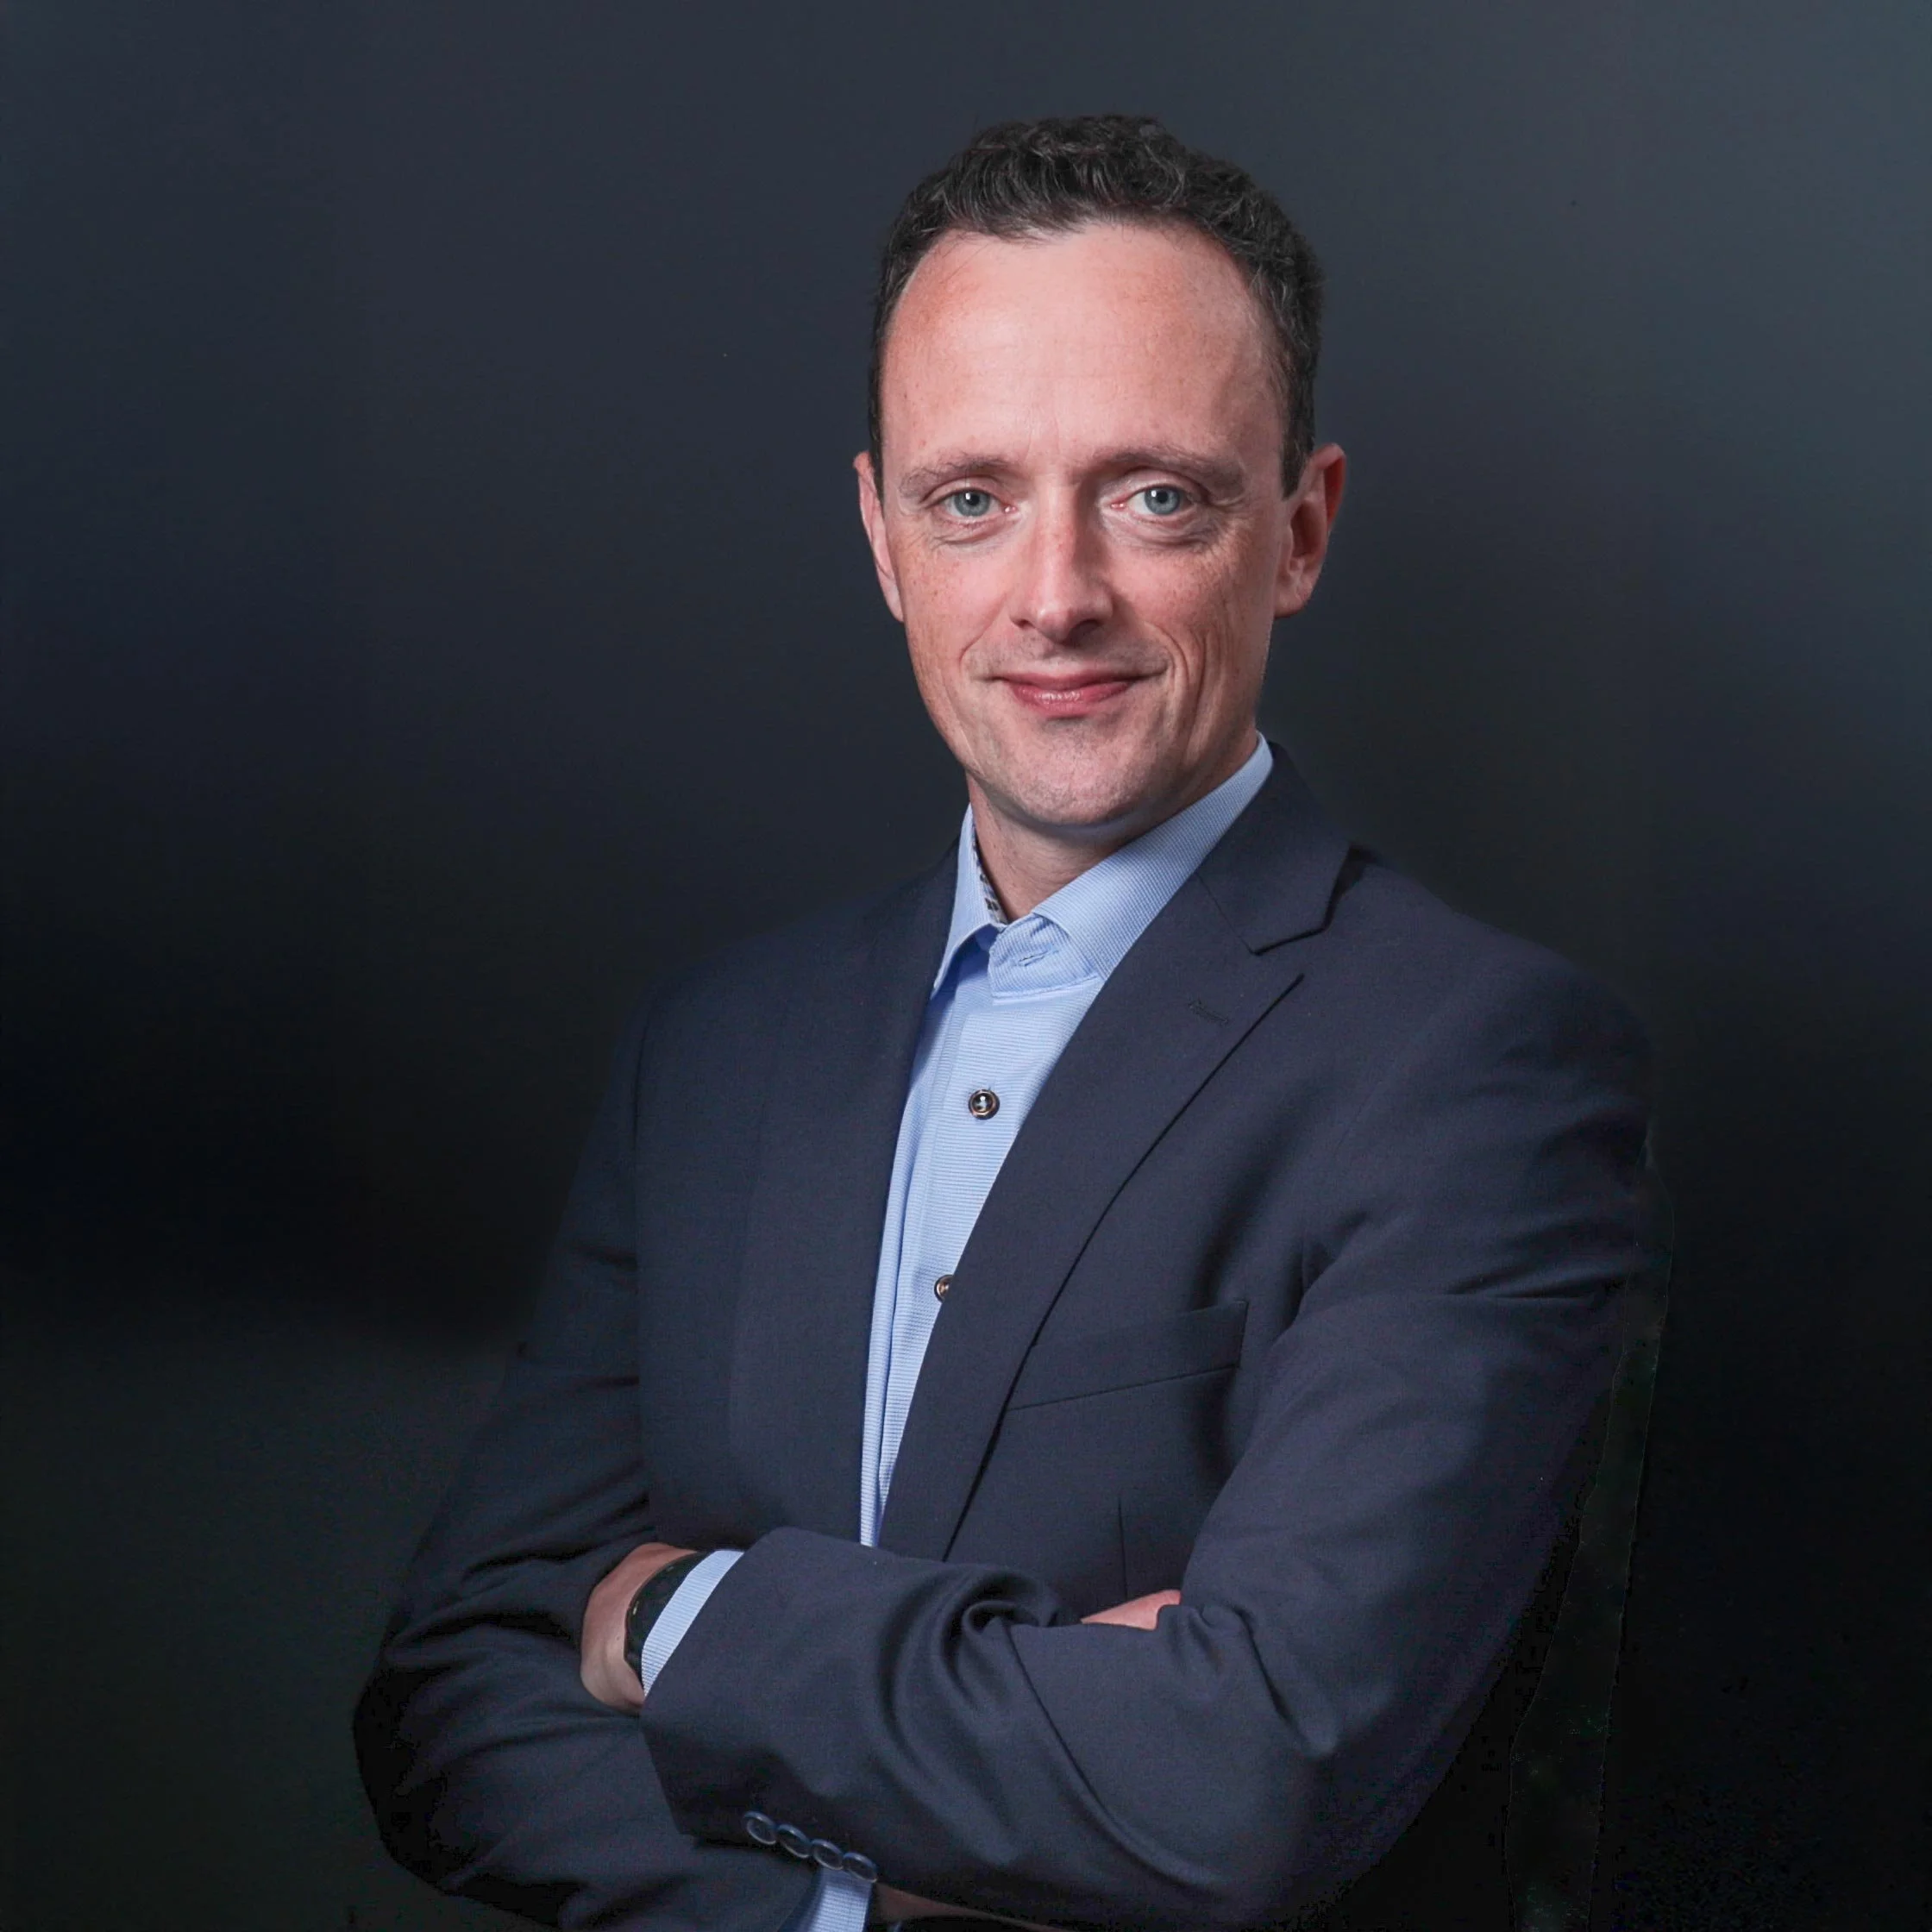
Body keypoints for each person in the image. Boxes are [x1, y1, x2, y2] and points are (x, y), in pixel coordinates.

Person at [356, 115, 1656, 1931]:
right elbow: (448, 1708)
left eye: (1154, 495)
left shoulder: (1483, 1069)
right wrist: (869, 1908)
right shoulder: (719, 1053)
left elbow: (1239, 1775)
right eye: (974, 496)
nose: (1055, 594)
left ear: (1297, 531)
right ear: (885, 537)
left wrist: (670, 1613)